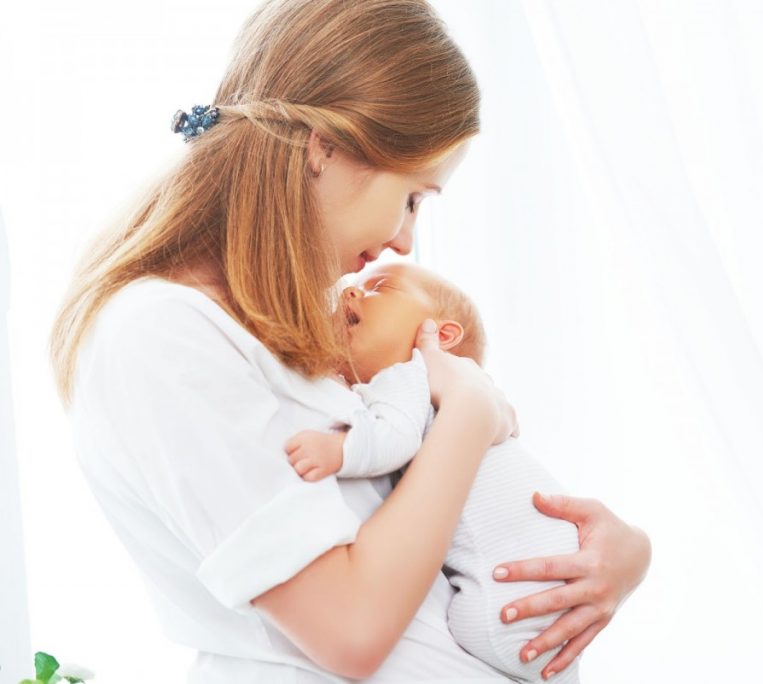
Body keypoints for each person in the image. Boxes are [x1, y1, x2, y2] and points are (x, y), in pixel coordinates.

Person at [49, 1, 652, 682]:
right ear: (324, 147)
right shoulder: (162, 337)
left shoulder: (307, 323)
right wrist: (472, 411)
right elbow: (352, 630)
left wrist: (613, 557)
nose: (405, 240)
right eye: (414, 197)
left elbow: (454, 486)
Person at [285, 262, 582, 683]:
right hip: (544, 609)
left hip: (508, 615)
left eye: (379, 288)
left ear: (440, 336)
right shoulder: (463, 389)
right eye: (351, 288)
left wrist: (339, 449)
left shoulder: (411, 374)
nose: (350, 292)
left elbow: (394, 437)